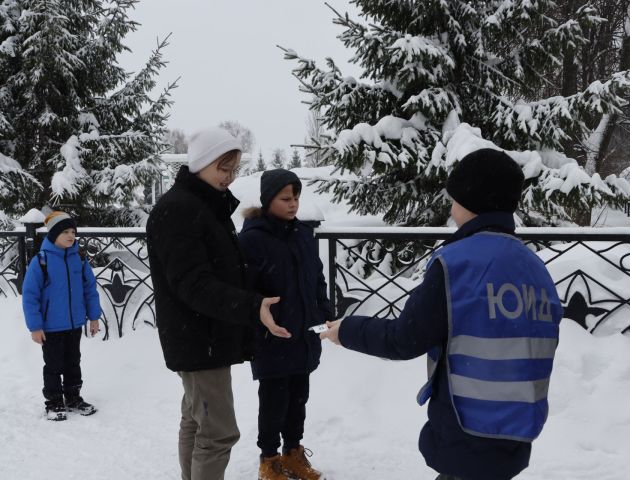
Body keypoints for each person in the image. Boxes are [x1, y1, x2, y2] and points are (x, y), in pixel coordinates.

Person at [320, 148, 564, 480]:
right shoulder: (535, 268)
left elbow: (404, 339)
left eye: (454, 199)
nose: (451, 208)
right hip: (518, 427)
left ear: (471, 202)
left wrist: (346, 330)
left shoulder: (456, 263)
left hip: (467, 426)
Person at [146, 127, 289, 480]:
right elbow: (192, 283)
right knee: (218, 432)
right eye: (221, 168)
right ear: (200, 163)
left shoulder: (204, 205)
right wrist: (250, 305)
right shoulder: (180, 210)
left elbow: (220, 269)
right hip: (197, 337)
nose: (228, 177)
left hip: (203, 334)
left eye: (233, 169)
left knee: (196, 423)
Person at [237, 168, 334, 480]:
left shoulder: (303, 235)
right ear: (268, 201)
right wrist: (259, 321)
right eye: (285, 198)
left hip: (304, 333)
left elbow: (316, 279)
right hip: (273, 336)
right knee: (274, 401)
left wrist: (324, 312)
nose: (293, 204)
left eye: (296, 198)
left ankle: (293, 452)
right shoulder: (252, 240)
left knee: (298, 398)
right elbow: (244, 290)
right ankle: (269, 459)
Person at [22, 210, 102, 421]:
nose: (70, 236)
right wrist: (35, 327)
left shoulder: (80, 259)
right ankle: (55, 402)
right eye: (65, 231)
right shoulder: (42, 261)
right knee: (54, 365)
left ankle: (74, 398)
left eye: (73, 232)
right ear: (53, 234)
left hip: (74, 324)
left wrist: (94, 317)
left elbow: (89, 290)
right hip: (51, 327)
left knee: (73, 362)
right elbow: (30, 296)